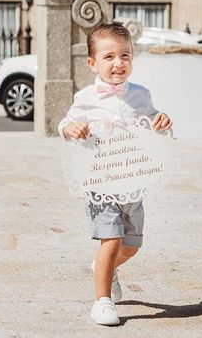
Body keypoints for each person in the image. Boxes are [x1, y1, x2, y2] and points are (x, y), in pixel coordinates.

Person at [58, 23, 173, 326]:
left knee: (131, 245)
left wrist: (162, 122)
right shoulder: (85, 97)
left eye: (125, 55)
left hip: (131, 182)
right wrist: (72, 129)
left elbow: (153, 124)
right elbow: (65, 125)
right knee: (111, 239)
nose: (118, 63)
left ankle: (103, 267)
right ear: (93, 63)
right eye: (109, 57)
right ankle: (102, 300)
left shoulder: (140, 95)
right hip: (101, 182)